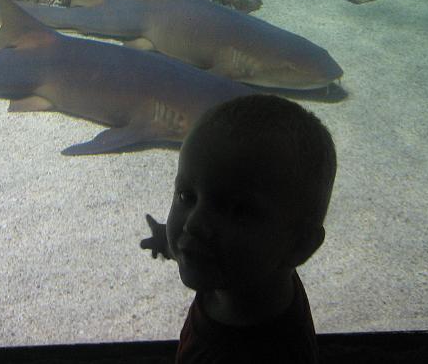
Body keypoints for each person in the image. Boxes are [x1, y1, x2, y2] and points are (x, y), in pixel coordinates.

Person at [141, 94, 336, 363]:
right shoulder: (246, 272)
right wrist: (169, 242)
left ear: (299, 245)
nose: (194, 224)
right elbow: (218, 250)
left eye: (238, 210)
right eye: (187, 196)